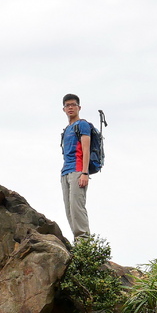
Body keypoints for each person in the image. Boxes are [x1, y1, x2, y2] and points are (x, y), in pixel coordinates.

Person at [60, 93, 93, 240]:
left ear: (79, 107)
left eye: (73, 105)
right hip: (65, 172)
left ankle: (84, 243)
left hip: (78, 171)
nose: (70, 107)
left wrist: (84, 173)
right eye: (68, 105)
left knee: (77, 208)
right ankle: (77, 243)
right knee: (69, 211)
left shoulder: (82, 125)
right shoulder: (66, 129)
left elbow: (86, 149)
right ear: (64, 109)